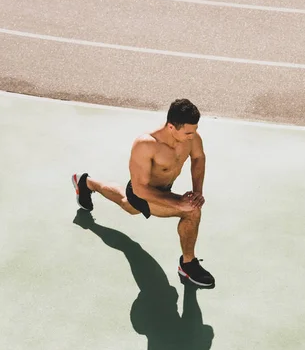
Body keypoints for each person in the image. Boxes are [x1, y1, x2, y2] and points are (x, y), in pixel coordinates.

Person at [71, 98, 215, 288]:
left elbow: (198, 158)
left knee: (126, 204)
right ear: (171, 127)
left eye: (195, 130)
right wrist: (179, 203)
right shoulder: (146, 145)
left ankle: (86, 182)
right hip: (143, 193)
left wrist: (197, 192)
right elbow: (140, 189)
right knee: (190, 211)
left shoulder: (191, 137)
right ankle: (188, 265)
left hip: (161, 190)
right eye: (188, 132)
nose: (193, 136)